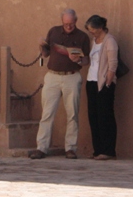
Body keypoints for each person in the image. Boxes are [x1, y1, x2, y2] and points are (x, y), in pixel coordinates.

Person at [29, 9, 90, 159]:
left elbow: (87, 60)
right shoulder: (54, 32)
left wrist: (79, 60)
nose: (68, 26)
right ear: (61, 21)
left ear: (76, 21)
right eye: (66, 24)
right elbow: (45, 54)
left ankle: (70, 148)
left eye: (71, 23)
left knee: (73, 114)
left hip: (72, 76)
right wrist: (41, 46)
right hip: (53, 76)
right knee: (47, 113)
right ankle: (41, 147)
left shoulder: (82, 37)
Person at [84, 14, 119, 160]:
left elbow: (113, 64)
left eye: (92, 29)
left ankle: (108, 150)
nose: (90, 31)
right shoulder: (94, 41)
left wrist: (108, 83)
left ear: (100, 28)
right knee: (94, 116)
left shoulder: (110, 41)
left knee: (105, 116)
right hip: (91, 81)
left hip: (104, 83)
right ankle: (97, 149)